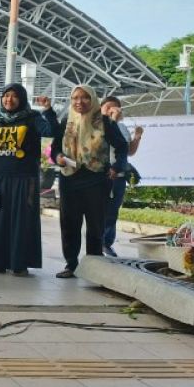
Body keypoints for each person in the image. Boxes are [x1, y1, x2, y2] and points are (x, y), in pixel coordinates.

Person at [0, 84, 58, 275]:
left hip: (24, 178)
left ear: (21, 98)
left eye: (14, 96)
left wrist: (48, 110)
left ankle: (19, 262)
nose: (9, 100)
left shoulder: (32, 118)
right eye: (6, 95)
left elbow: (51, 131)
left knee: (22, 221)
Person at [51, 85, 129, 278]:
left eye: (85, 98)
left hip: (96, 179)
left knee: (95, 225)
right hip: (69, 178)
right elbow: (54, 149)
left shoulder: (104, 122)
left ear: (93, 99)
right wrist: (58, 157)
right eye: (75, 98)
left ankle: (93, 266)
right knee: (69, 224)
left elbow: (122, 147)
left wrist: (116, 167)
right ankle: (71, 264)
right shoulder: (66, 121)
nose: (80, 102)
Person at [100, 95, 144, 257]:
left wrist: (137, 137)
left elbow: (129, 151)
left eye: (116, 108)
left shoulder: (122, 127)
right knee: (99, 210)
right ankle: (97, 243)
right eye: (108, 108)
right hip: (101, 175)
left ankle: (106, 243)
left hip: (118, 176)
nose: (112, 111)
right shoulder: (97, 125)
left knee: (113, 211)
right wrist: (109, 121)